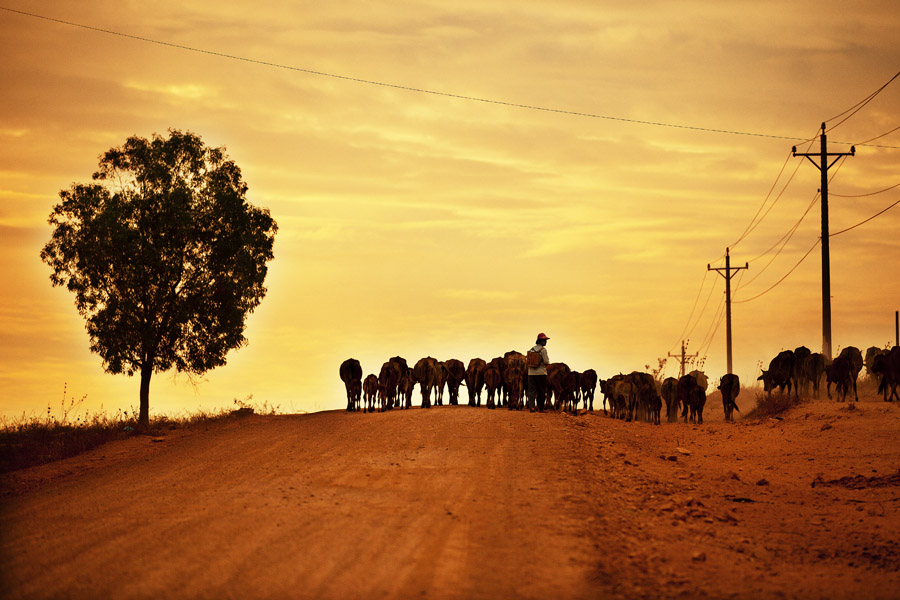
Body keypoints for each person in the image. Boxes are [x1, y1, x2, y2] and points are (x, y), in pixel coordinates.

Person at [527, 333, 550, 411]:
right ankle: (540, 408)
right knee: (541, 391)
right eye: (544, 340)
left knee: (531, 390)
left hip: (531, 373)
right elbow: (546, 361)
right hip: (541, 373)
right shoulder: (543, 350)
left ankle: (532, 407)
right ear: (540, 341)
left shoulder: (531, 349)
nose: (546, 342)